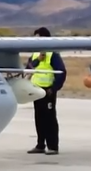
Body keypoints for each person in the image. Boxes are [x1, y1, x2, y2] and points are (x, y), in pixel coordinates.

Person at [26, 27, 66, 155]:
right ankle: (40, 145)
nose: (35, 41)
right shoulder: (35, 54)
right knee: (39, 118)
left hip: (48, 91)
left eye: (38, 39)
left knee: (50, 119)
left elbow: (61, 72)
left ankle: (53, 146)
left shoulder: (53, 55)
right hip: (36, 90)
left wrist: (53, 88)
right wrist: (38, 60)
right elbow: (29, 67)